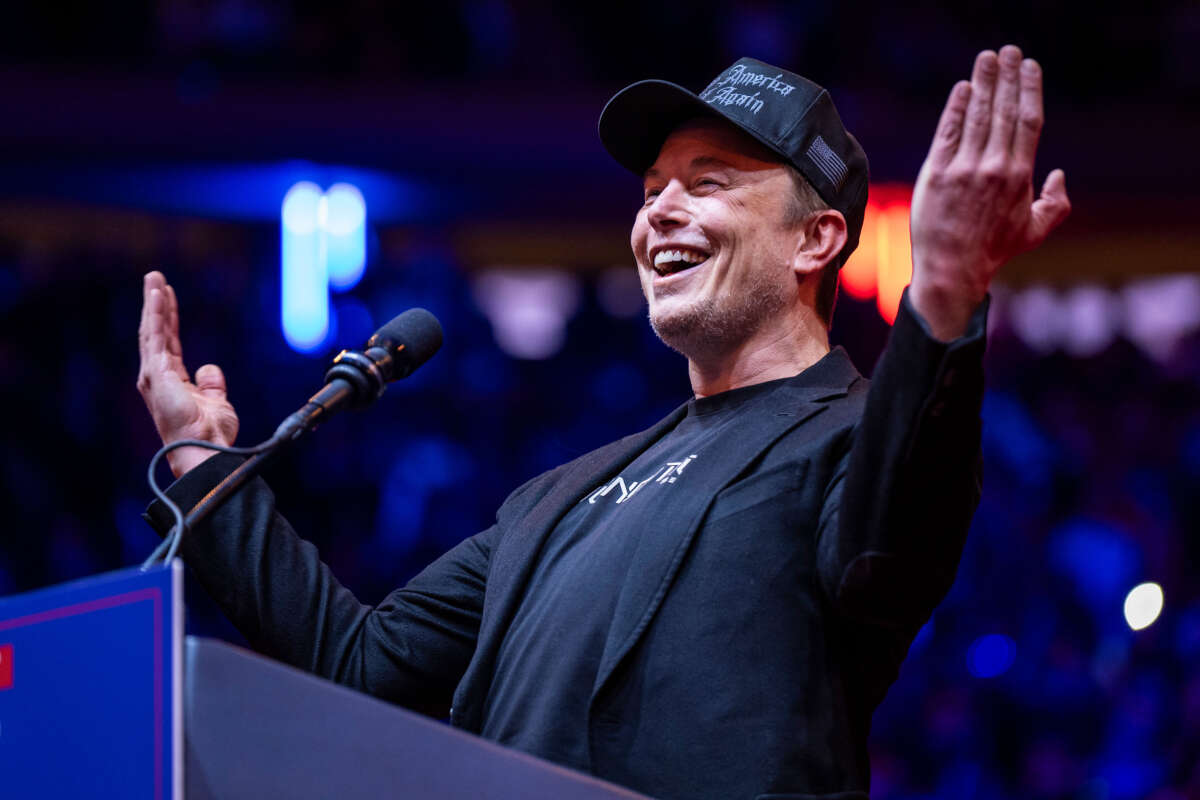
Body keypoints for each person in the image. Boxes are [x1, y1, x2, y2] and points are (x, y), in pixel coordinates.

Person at [138, 46, 1069, 800]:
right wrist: (201, 464)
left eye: (708, 182)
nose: (659, 207)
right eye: (652, 187)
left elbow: (886, 548)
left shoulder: (859, 438)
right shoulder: (555, 497)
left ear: (816, 239)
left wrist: (943, 292)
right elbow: (361, 663)